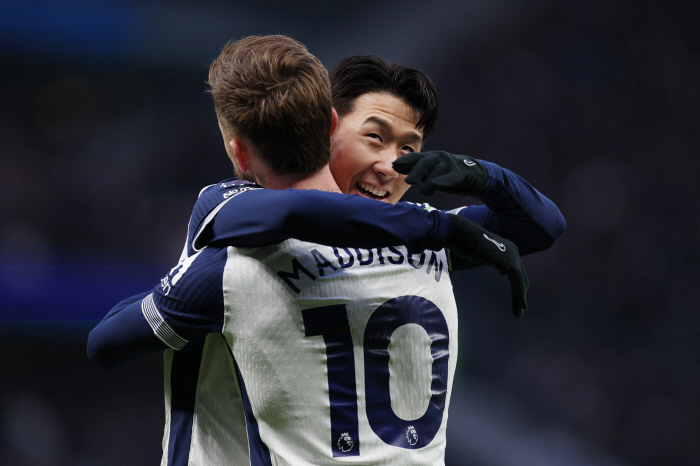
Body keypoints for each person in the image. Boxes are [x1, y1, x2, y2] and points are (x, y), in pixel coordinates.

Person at [88, 35, 537, 466]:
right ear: (331, 125)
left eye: (407, 148)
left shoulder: (233, 264)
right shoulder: (425, 243)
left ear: (239, 153)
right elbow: (540, 226)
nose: (389, 164)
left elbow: (104, 343)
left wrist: (180, 281)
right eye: (376, 138)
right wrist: (464, 201)